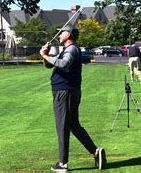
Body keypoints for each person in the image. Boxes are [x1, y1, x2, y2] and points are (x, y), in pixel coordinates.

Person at [39, 24, 106, 171]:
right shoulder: (67, 49)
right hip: (67, 91)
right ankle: (96, 152)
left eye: (61, 32)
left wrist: (45, 56)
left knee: (62, 126)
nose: (59, 35)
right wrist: (46, 55)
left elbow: (63, 64)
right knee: (74, 126)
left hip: (65, 92)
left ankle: (62, 163)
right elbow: (50, 65)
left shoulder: (72, 49)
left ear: (68, 35)